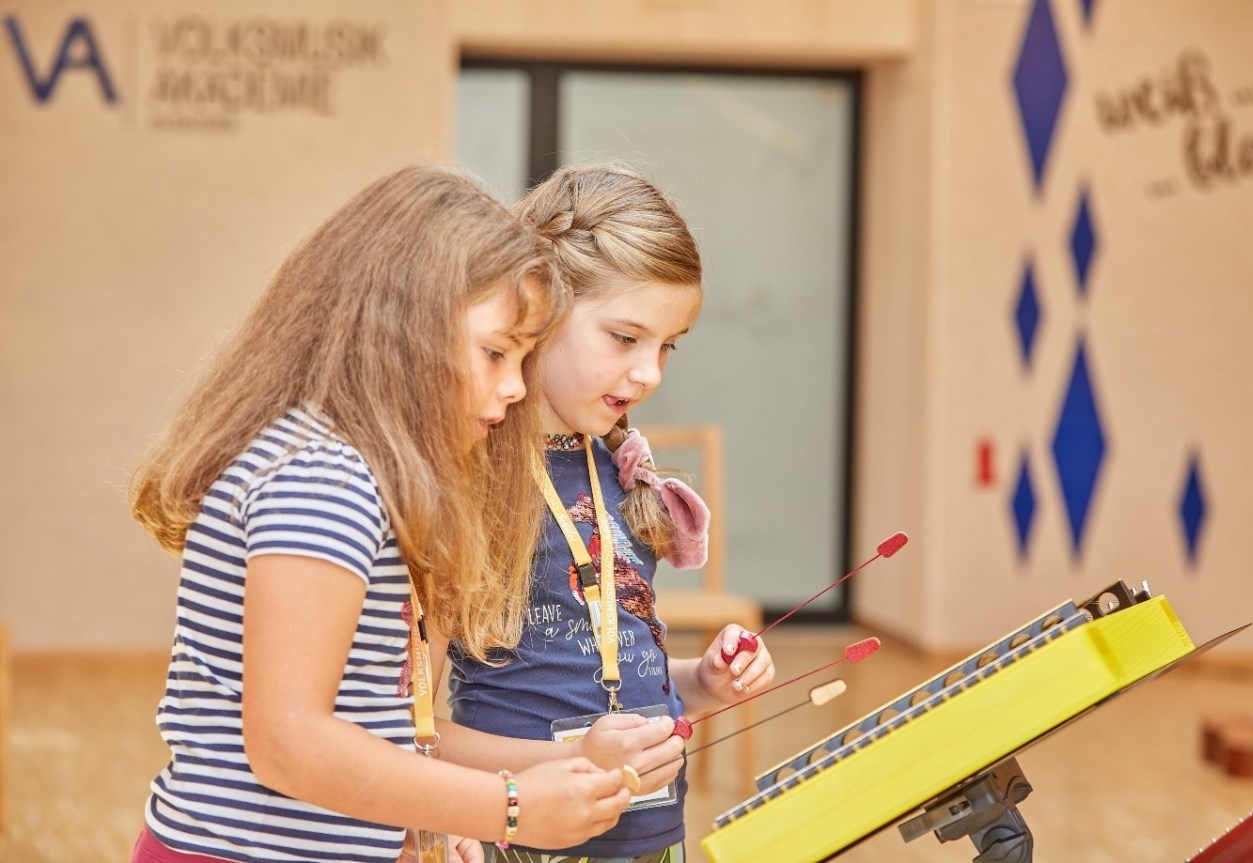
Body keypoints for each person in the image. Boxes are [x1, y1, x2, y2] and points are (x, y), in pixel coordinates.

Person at [126, 164, 634, 863]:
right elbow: (289, 742)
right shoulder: (321, 479)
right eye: (494, 352)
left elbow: (388, 731)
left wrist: (485, 796)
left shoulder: (371, 477)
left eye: (523, 360)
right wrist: (509, 806)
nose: (515, 388)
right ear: (402, 327)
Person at [444, 164, 776, 863]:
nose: (651, 371)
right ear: (540, 308)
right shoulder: (467, 477)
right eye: (626, 338)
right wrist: (553, 767)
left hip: (651, 838)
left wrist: (698, 683)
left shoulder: (615, 471)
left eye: (667, 346)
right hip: (518, 833)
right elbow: (411, 728)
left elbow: (608, 677)